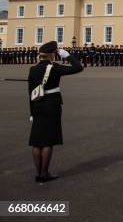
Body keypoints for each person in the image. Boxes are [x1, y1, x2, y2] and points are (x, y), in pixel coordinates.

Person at [28, 41, 83, 183]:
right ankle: (44, 173)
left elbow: (30, 93)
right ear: (53, 54)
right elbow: (78, 67)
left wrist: (32, 113)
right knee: (47, 141)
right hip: (52, 105)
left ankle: (37, 173)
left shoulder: (33, 69)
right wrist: (68, 56)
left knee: (36, 141)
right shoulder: (55, 67)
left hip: (38, 106)